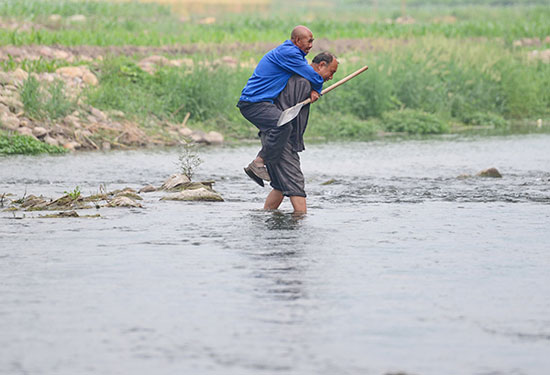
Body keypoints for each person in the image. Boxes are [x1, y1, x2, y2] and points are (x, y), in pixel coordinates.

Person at [239, 52, 338, 213]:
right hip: (282, 140)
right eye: (331, 72)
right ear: (321, 66)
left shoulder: (301, 79)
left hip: (272, 136)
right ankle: (300, 225)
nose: (331, 77)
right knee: (296, 183)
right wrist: (295, 141)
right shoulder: (302, 82)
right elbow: (288, 115)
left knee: (280, 186)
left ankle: (266, 219)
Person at [237, 25, 324, 186]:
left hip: (261, 103)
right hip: (253, 103)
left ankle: (267, 167)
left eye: (313, 41)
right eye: (309, 41)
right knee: (283, 125)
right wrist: (317, 88)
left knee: (281, 126)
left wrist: (312, 88)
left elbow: (304, 74)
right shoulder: (289, 53)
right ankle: (258, 163)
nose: (311, 45)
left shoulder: (293, 54)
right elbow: (313, 76)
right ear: (297, 40)